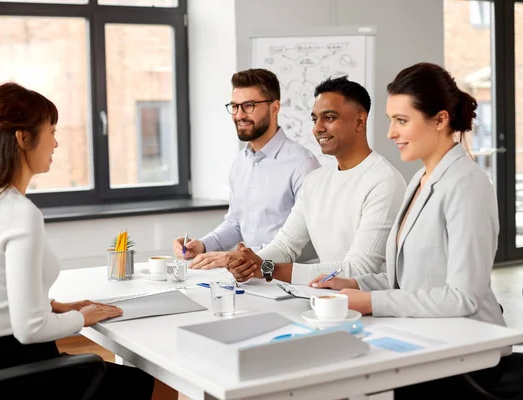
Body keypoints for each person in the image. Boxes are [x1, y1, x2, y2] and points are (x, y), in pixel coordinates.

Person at [0, 82, 154, 400]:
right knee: (148, 381)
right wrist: (82, 318)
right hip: (25, 376)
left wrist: (54, 307)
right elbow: (29, 330)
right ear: (23, 138)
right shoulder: (19, 213)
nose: (56, 143)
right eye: (52, 131)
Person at [314, 62, 509, 398]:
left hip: (469, 362)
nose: (390, 133)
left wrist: (370, 301)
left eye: (401, 121)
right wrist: (356, 284)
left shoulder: (467, 185)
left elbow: (462, 297)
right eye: (391, 120)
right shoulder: (420, 179)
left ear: (440, 120)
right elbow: (410, 278)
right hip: (426, 347)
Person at [225, 76, 406, 283]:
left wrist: (266, 268)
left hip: (371, 308)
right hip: (324, 300)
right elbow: (285, 246)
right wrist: (249, 262)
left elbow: (358, 269)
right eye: (314, 119)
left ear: (359, 120)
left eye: (329, 118)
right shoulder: (315, 181)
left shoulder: (384, 181)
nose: (318, 128)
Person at [173, 68, 320, 269]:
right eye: (234, 106)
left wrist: (237, 257)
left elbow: (306, 239)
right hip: (249, 274)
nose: (239, 115)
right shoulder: (240, 163)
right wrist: (203, 245)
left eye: (248, 106)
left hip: (289, 279)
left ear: (274, 107)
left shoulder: (303, 164)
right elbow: (236, 224)